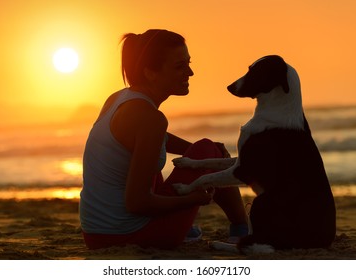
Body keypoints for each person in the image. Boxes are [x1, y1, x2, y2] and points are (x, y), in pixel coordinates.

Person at [79, 29, 248, 250]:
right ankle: (241, 229)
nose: (191, 72)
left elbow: (151, 138)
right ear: (150, 73)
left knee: (203, 150)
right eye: (180, 66)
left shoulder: (119, 99)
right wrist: (194, 199)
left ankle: (193, 227)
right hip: (130, 236)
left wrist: (191, 149)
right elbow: (137, 203)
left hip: (95, 234)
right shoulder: (150, 118)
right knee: (207, 147)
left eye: (189, 63)